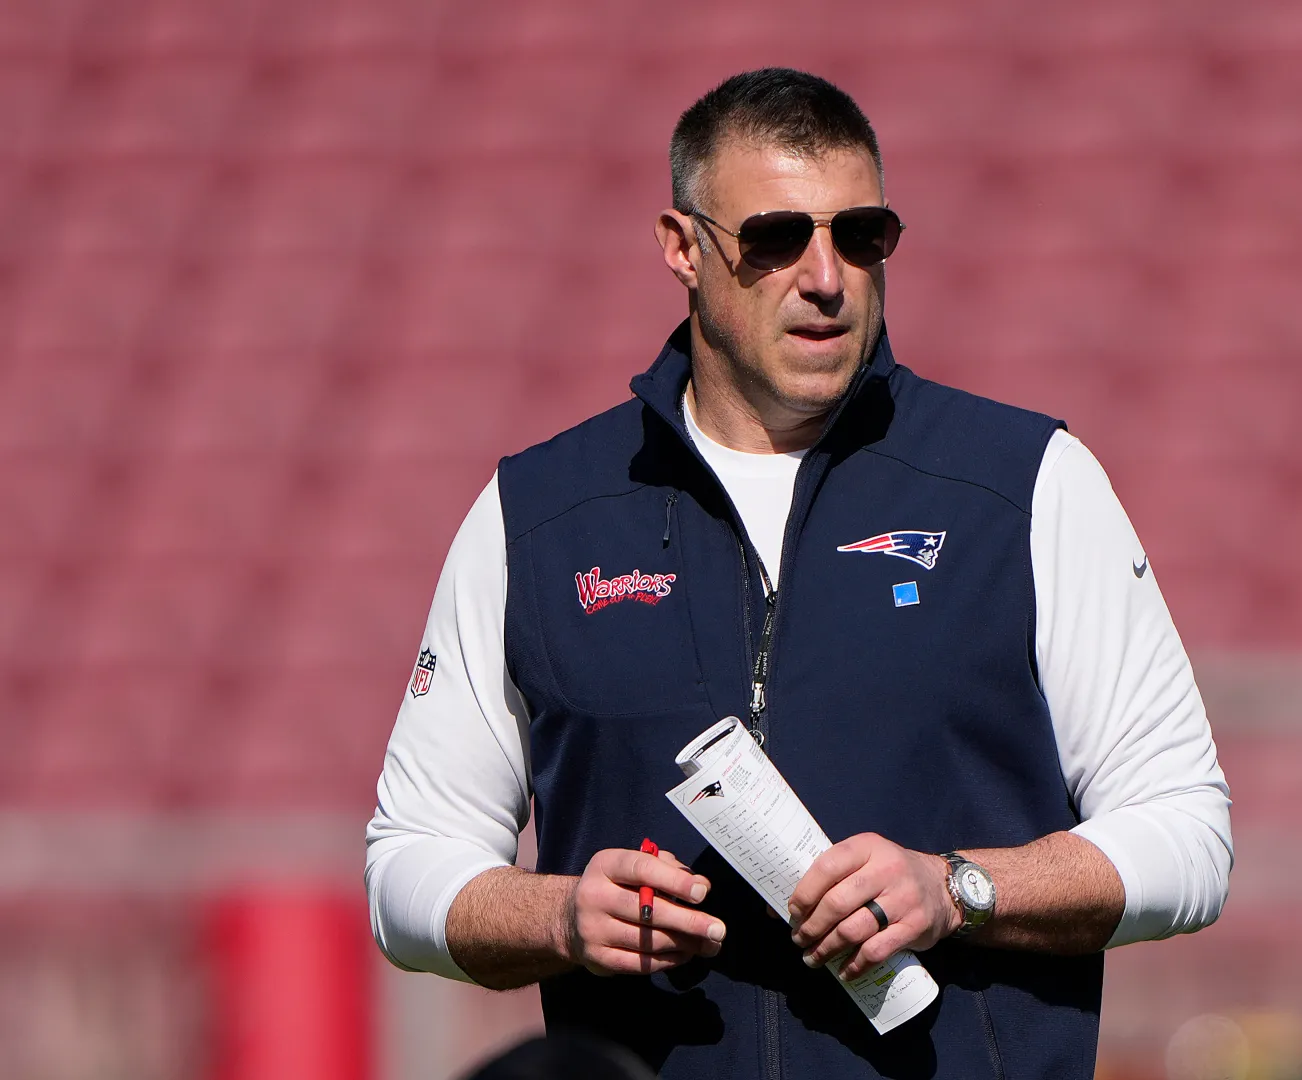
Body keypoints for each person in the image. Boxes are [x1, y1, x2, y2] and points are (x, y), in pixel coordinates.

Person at [366, 68, 1232, 1080]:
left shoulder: (1023, 483)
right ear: (683, 249)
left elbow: (1187, 836)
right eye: (776, 239)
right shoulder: (539, 515)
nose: (825, 275)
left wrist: (957, 889)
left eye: (859, 235)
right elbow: (407, 868)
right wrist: (560, 912)